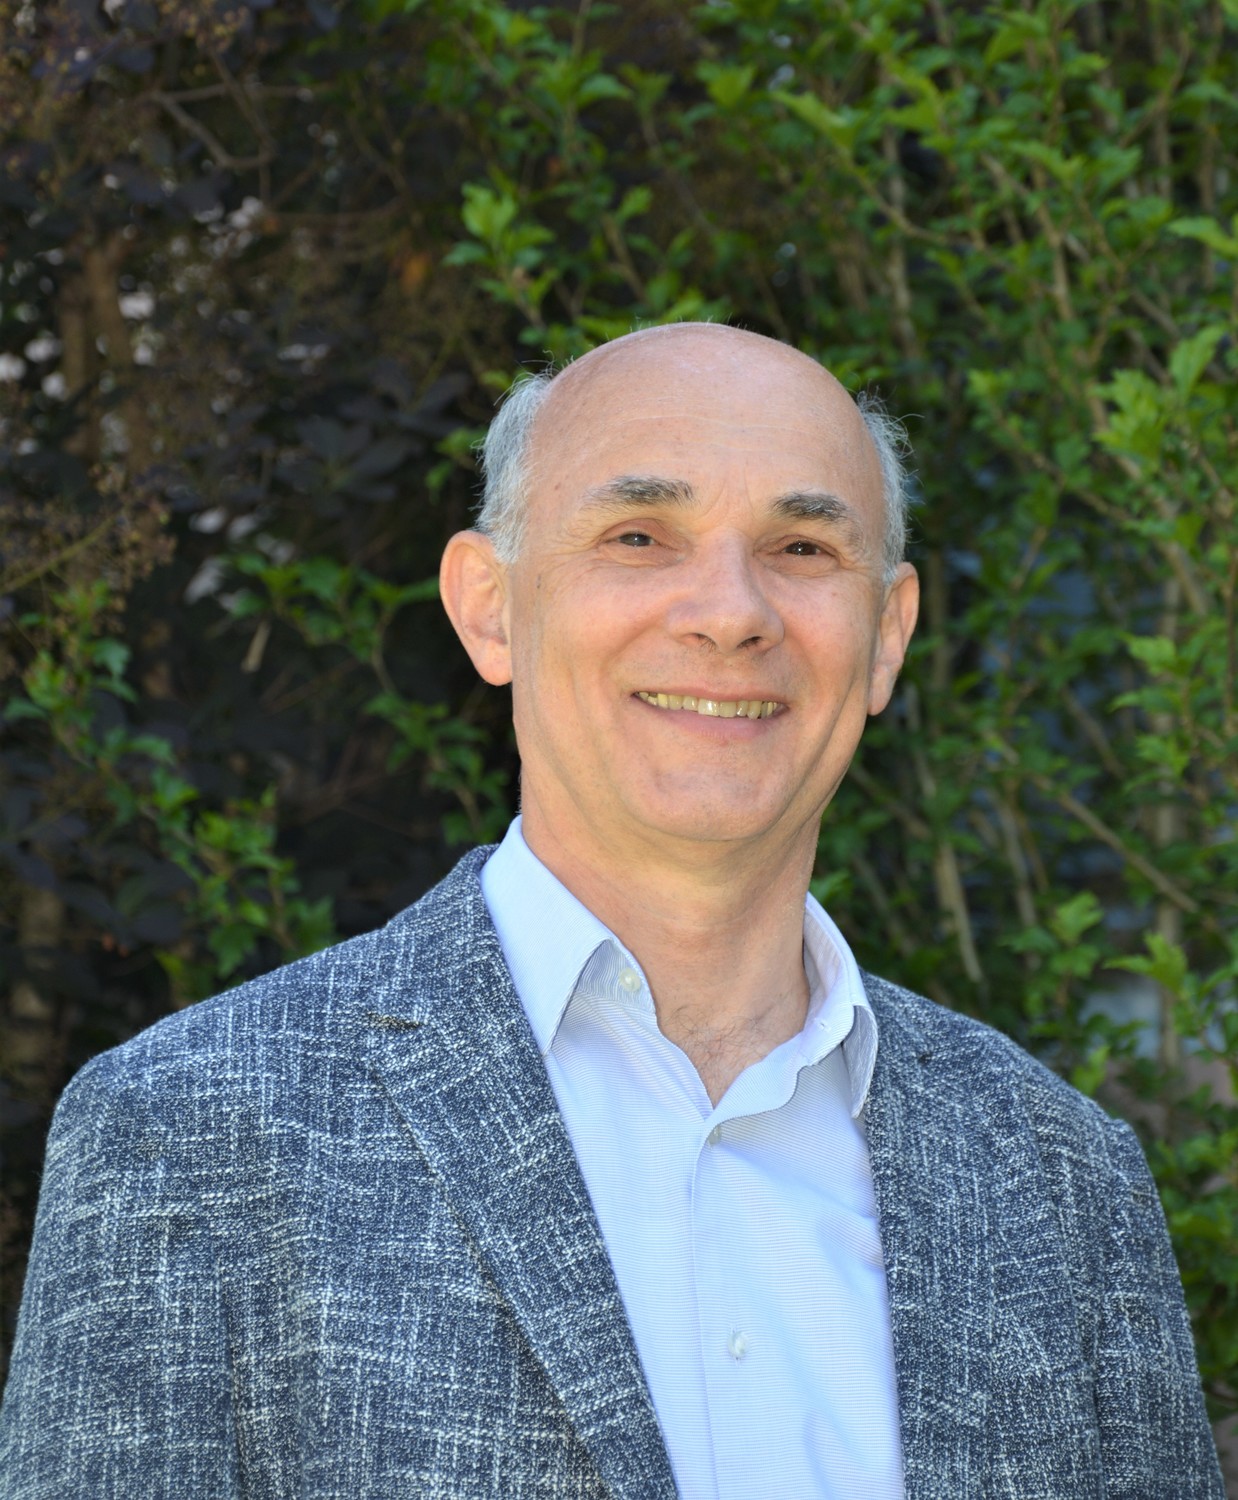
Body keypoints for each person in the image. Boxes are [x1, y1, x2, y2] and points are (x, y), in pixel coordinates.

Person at [0, 324, 1223, 1499]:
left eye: (802, 547)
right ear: (489, 607)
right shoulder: (192, 1137)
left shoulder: (1063, 1181)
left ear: (885, 636)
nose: (730, 611)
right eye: (638, 535)